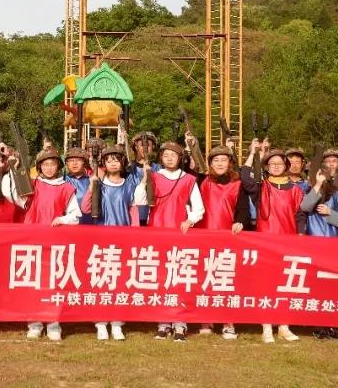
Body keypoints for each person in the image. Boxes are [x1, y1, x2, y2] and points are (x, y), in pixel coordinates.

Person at [1, 148, 81, 340]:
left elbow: (75, 215)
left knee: (54, 282)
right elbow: (12, 195)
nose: (49, 167)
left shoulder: (66, 188)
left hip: (55, 241)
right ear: (39, 167)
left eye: (52, 164)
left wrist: (62, 219)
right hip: (32, 239)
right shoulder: (33, 184)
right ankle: (34, 323)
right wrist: (13, 170)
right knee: (33, 282)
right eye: (45, 164)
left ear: (58, 166)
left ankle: (54, 323)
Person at [80, 144, 149, 341]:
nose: (112, 163)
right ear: (104, 163)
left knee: (120, 281)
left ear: (122, 163)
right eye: (109, 160)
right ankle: (101, 322)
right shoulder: (99, 185)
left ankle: (117, 322)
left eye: (116, 160)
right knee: (101, 280)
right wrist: (91, 187)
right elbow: (85, 209)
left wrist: (145, 178)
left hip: (123, 239)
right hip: (102, 239)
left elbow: (135, 209)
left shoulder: (129, 185)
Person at [240, 144, 303, 343]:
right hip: (265, 241)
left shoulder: (295, 189)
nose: (275, 166)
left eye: (279, 163)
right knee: (266, 284)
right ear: (266, 167)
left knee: (286, 284)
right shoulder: (261, 186)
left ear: (286, 166)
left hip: (288, 242)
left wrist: (301, 235)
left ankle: (284, 325)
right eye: (271, 163)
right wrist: (252, 153)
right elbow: (245, 177)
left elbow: (300, 215)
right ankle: (266, 326)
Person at [147, 138, 205, 341]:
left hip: (179, 232)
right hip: (157, 230)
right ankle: (163, 321)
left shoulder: (188, 179)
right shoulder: (154, 176)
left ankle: (180, 322)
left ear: (180, 158)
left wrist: (190, 220)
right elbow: (139, 200)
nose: (170, 158)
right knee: (161, 276)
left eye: (173, 155)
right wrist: (145, 179)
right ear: (161, 158)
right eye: (166, 155)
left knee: (180, 276)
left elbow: (199, 207)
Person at [196, 145, 248, 340]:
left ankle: (228, 321)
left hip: (228, 236)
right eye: (216, 160)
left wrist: (240, 221)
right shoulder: (201, 181)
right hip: (204, 235)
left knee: (226, 278)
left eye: (223, 160)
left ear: (230, 163)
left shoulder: (237, 184)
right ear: (210, 163)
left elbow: (242, 208)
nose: (219, 163)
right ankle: (206, 319)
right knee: (206, 277)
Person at [300, 146, 338, 340]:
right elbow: (305, 207)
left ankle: (333, 324)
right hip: (314, 244)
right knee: (316, 286)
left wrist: (330, 213)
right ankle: (318, 324)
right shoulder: (309, 191)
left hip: (334, 245)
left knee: (334, 286)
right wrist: (317, 185)